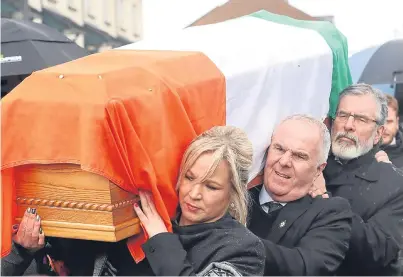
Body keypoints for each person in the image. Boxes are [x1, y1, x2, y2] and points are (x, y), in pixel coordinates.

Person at [2, 126, 265, 276]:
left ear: (234, 192)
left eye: (211, 186)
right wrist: (25, 251)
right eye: (189, 177)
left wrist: (162, 242)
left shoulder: (244, 249)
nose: (194, 193)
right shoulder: (132, 219)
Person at [248, 114, 353, 276]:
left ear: (319, 169)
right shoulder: (236, 196)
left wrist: (234, 239)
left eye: (299, 156)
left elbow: (308, 266)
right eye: (279, 148)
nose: (284, 161)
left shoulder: (330, 212)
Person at [324, 83, 403, 275]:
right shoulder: (311, 165)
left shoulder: (395, 185)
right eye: (343, 115)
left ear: (378, 134)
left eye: (360, 119)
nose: (348, 125)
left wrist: (324, 200)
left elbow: (378, 251)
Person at [379, 94, 403, 169]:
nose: (384, 128)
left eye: (389, 121)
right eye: (380, 122)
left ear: (397, 122)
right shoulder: (359, 152)